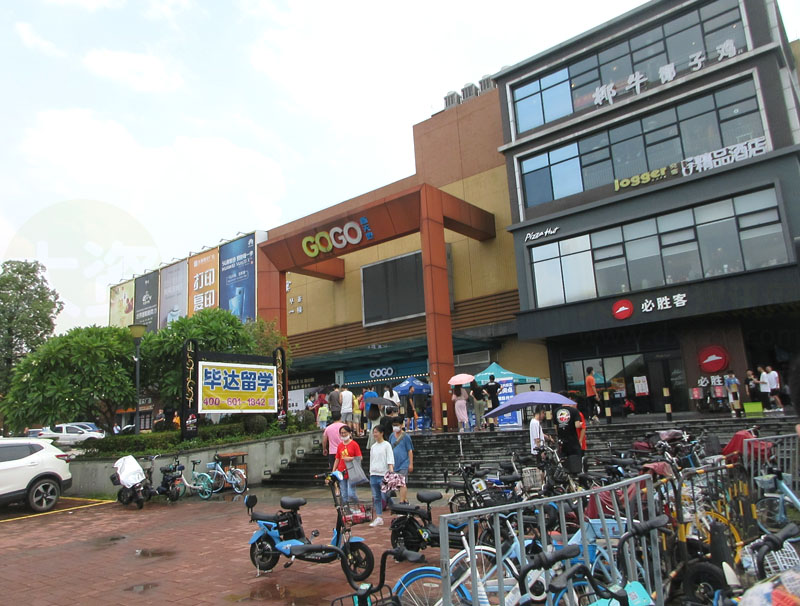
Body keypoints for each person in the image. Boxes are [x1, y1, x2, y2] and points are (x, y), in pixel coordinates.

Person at [368, 424, 394, 527]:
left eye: (376, 432)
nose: (375, 434)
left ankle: (397, 509)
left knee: (386, 495)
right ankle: (379, 517)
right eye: (373, 432)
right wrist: (371, 472)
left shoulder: (387, 445)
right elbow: (372, 460)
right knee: (376, 497)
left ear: (382, 433)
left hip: (383, 474)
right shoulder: (373, 447)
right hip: (374, 474)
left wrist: (391, 472)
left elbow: (390, 459)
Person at [332, 425, 362, 505]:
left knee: (351, 493)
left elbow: (359, 458)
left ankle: (357, 505)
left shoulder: (354, 444)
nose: (343, 434)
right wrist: (333, 470)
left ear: (349, 433)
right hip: (341, 472)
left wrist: (351, 458)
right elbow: (337, 458)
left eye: (345, 432)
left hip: (351, 471)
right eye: (341, 433)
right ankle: (346, 509)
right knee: (344, 494)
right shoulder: (340, 445)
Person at [389, 416, 414, 504]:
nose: (395, 427)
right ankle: (405, 499)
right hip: (394, 463)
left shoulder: (406, 436)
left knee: (402, 482)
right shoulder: (391, 436)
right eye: (394, 425)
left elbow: (410, 451)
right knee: (397, 483)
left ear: (401, 425)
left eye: (397, 425)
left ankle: (401, 501)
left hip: (404, 463)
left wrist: (411, 464)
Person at [553, 400, 584, 466]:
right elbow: (577, 425)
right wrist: (581, 424)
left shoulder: (556, 411)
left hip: (562, 440)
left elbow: (555, 427)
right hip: (573, 440)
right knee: (575, 460)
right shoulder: (574, 411)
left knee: (563, 460)